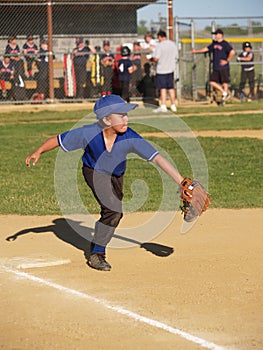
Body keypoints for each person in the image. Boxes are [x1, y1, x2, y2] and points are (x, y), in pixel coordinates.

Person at [25, 94, 186, 271]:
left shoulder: (130, 136)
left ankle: (99, 238)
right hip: (94, 171)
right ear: (107, 119)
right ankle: (97, 254)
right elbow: (58, 139)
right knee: (113, 210)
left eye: (127, 114)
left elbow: (157, 158)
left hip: (117, 174)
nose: (126, 119)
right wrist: (38, 151)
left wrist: (180, 181)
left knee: (113, 212)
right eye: (121, 115)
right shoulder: (88, 133)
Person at [192, 29, 235, 105]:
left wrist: (227, 60)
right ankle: (224, 92)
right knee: (212, 82)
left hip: (224, 67)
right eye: (215, 34)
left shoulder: (225, 44)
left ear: (220, 35)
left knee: (224, 83)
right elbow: (206, 49)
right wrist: (196, 51)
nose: (215, 36)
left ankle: (223, 100)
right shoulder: (214, 44)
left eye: (216, 34)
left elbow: (232, 52)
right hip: (216, 67)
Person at [149, 30, 178, 113]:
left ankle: (163, 105)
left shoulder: (159, 46)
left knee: (163, 88)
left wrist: (150, 59)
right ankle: (173, 105)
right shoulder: (173, 44)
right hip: (171, 69)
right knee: (171, 88)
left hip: (162, 70)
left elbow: (156, 58)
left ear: (160, 37)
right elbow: (176, 56)